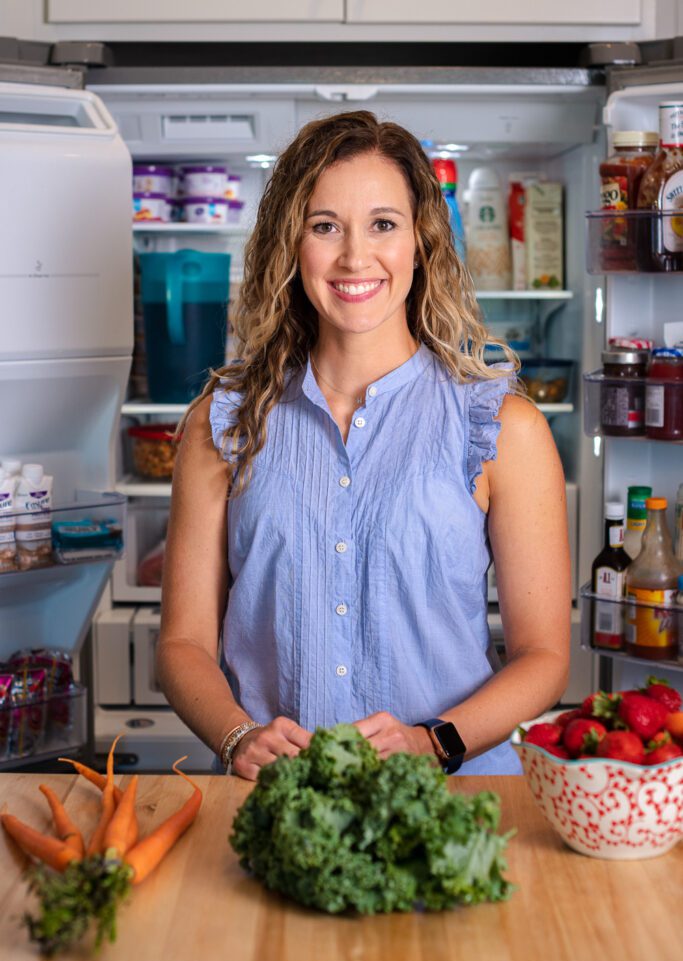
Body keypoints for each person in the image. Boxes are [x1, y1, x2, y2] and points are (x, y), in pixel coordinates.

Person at [157, 110, 570, 780]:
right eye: (325, 227)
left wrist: (431, 742)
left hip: (449, 802)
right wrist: (236, 737)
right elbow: (181, 643)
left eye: (383, 224)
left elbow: (544, 656)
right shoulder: (225, 423)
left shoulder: (504, 427)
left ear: (420, 241)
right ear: (290, 245)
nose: (354, 257)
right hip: (278, 801)